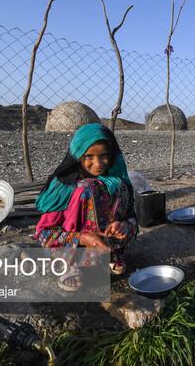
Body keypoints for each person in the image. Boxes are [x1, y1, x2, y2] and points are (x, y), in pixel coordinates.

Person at [33, 123, 138, 290]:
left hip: (105, 243)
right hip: (73, 245)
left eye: (104, 155)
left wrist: (123, 226)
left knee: (120, 187)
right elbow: (43, 234)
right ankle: (69, 265)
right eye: (89, 156)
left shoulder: (116, 180)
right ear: (77, 155)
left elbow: (131, 216)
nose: (98, 163)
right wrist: (81, 238)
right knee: (87, 188)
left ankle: (109, 254)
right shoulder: (64, 187)